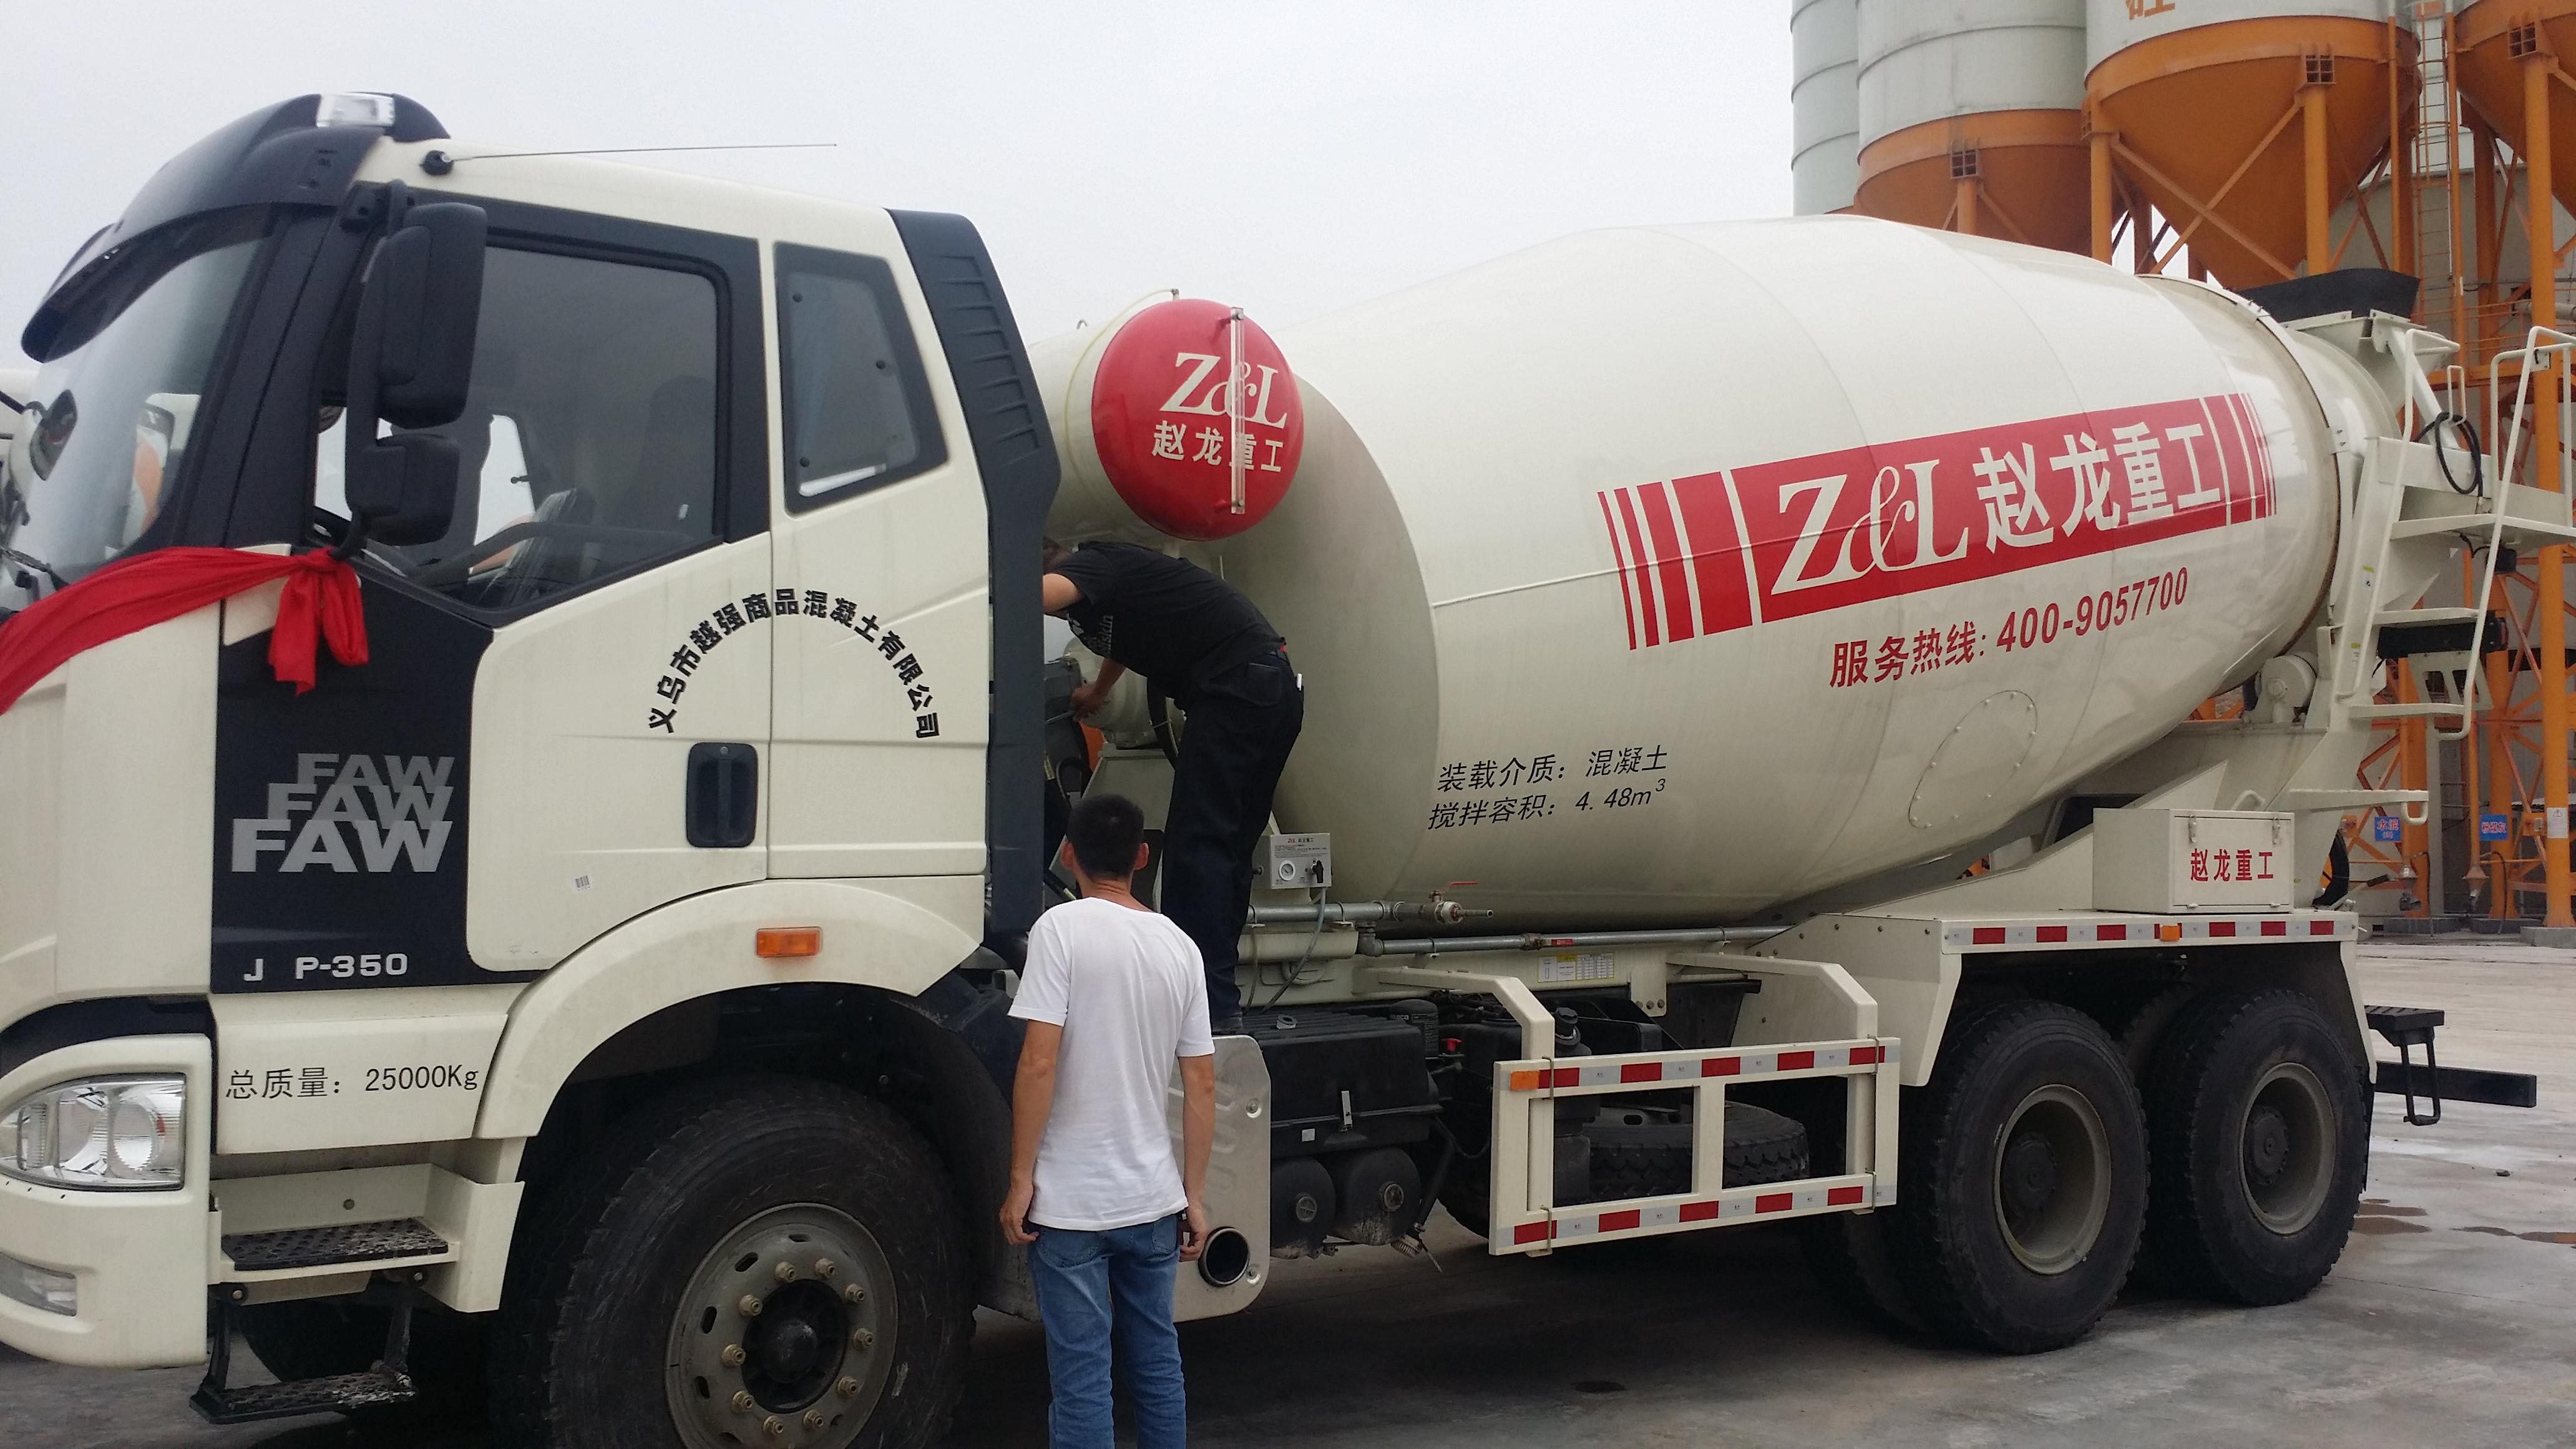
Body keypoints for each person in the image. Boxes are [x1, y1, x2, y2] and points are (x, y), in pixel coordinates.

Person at [1002, 792, 1217, 1449]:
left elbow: (1039, 1061)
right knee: (1156, 1361)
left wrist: (1020, 1180)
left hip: (1071, 1207)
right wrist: (1194, 1195)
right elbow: (1201, 1082)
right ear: (1142, 857)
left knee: (1082, 1377)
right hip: (1152, 1201)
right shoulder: (1180, 946)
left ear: (1068, 855)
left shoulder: (1060, 930)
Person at [1043, 539, 1302, 1032]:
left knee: (1197, 847)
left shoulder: (1094, 562)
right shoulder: (1107, 588)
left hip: (1234, 688)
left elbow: (1041, 592)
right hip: (1268, 688)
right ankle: (1219, 999)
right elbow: (1125, 643)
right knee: (1228, 847)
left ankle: (1204, 1005)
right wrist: (1100, 690)